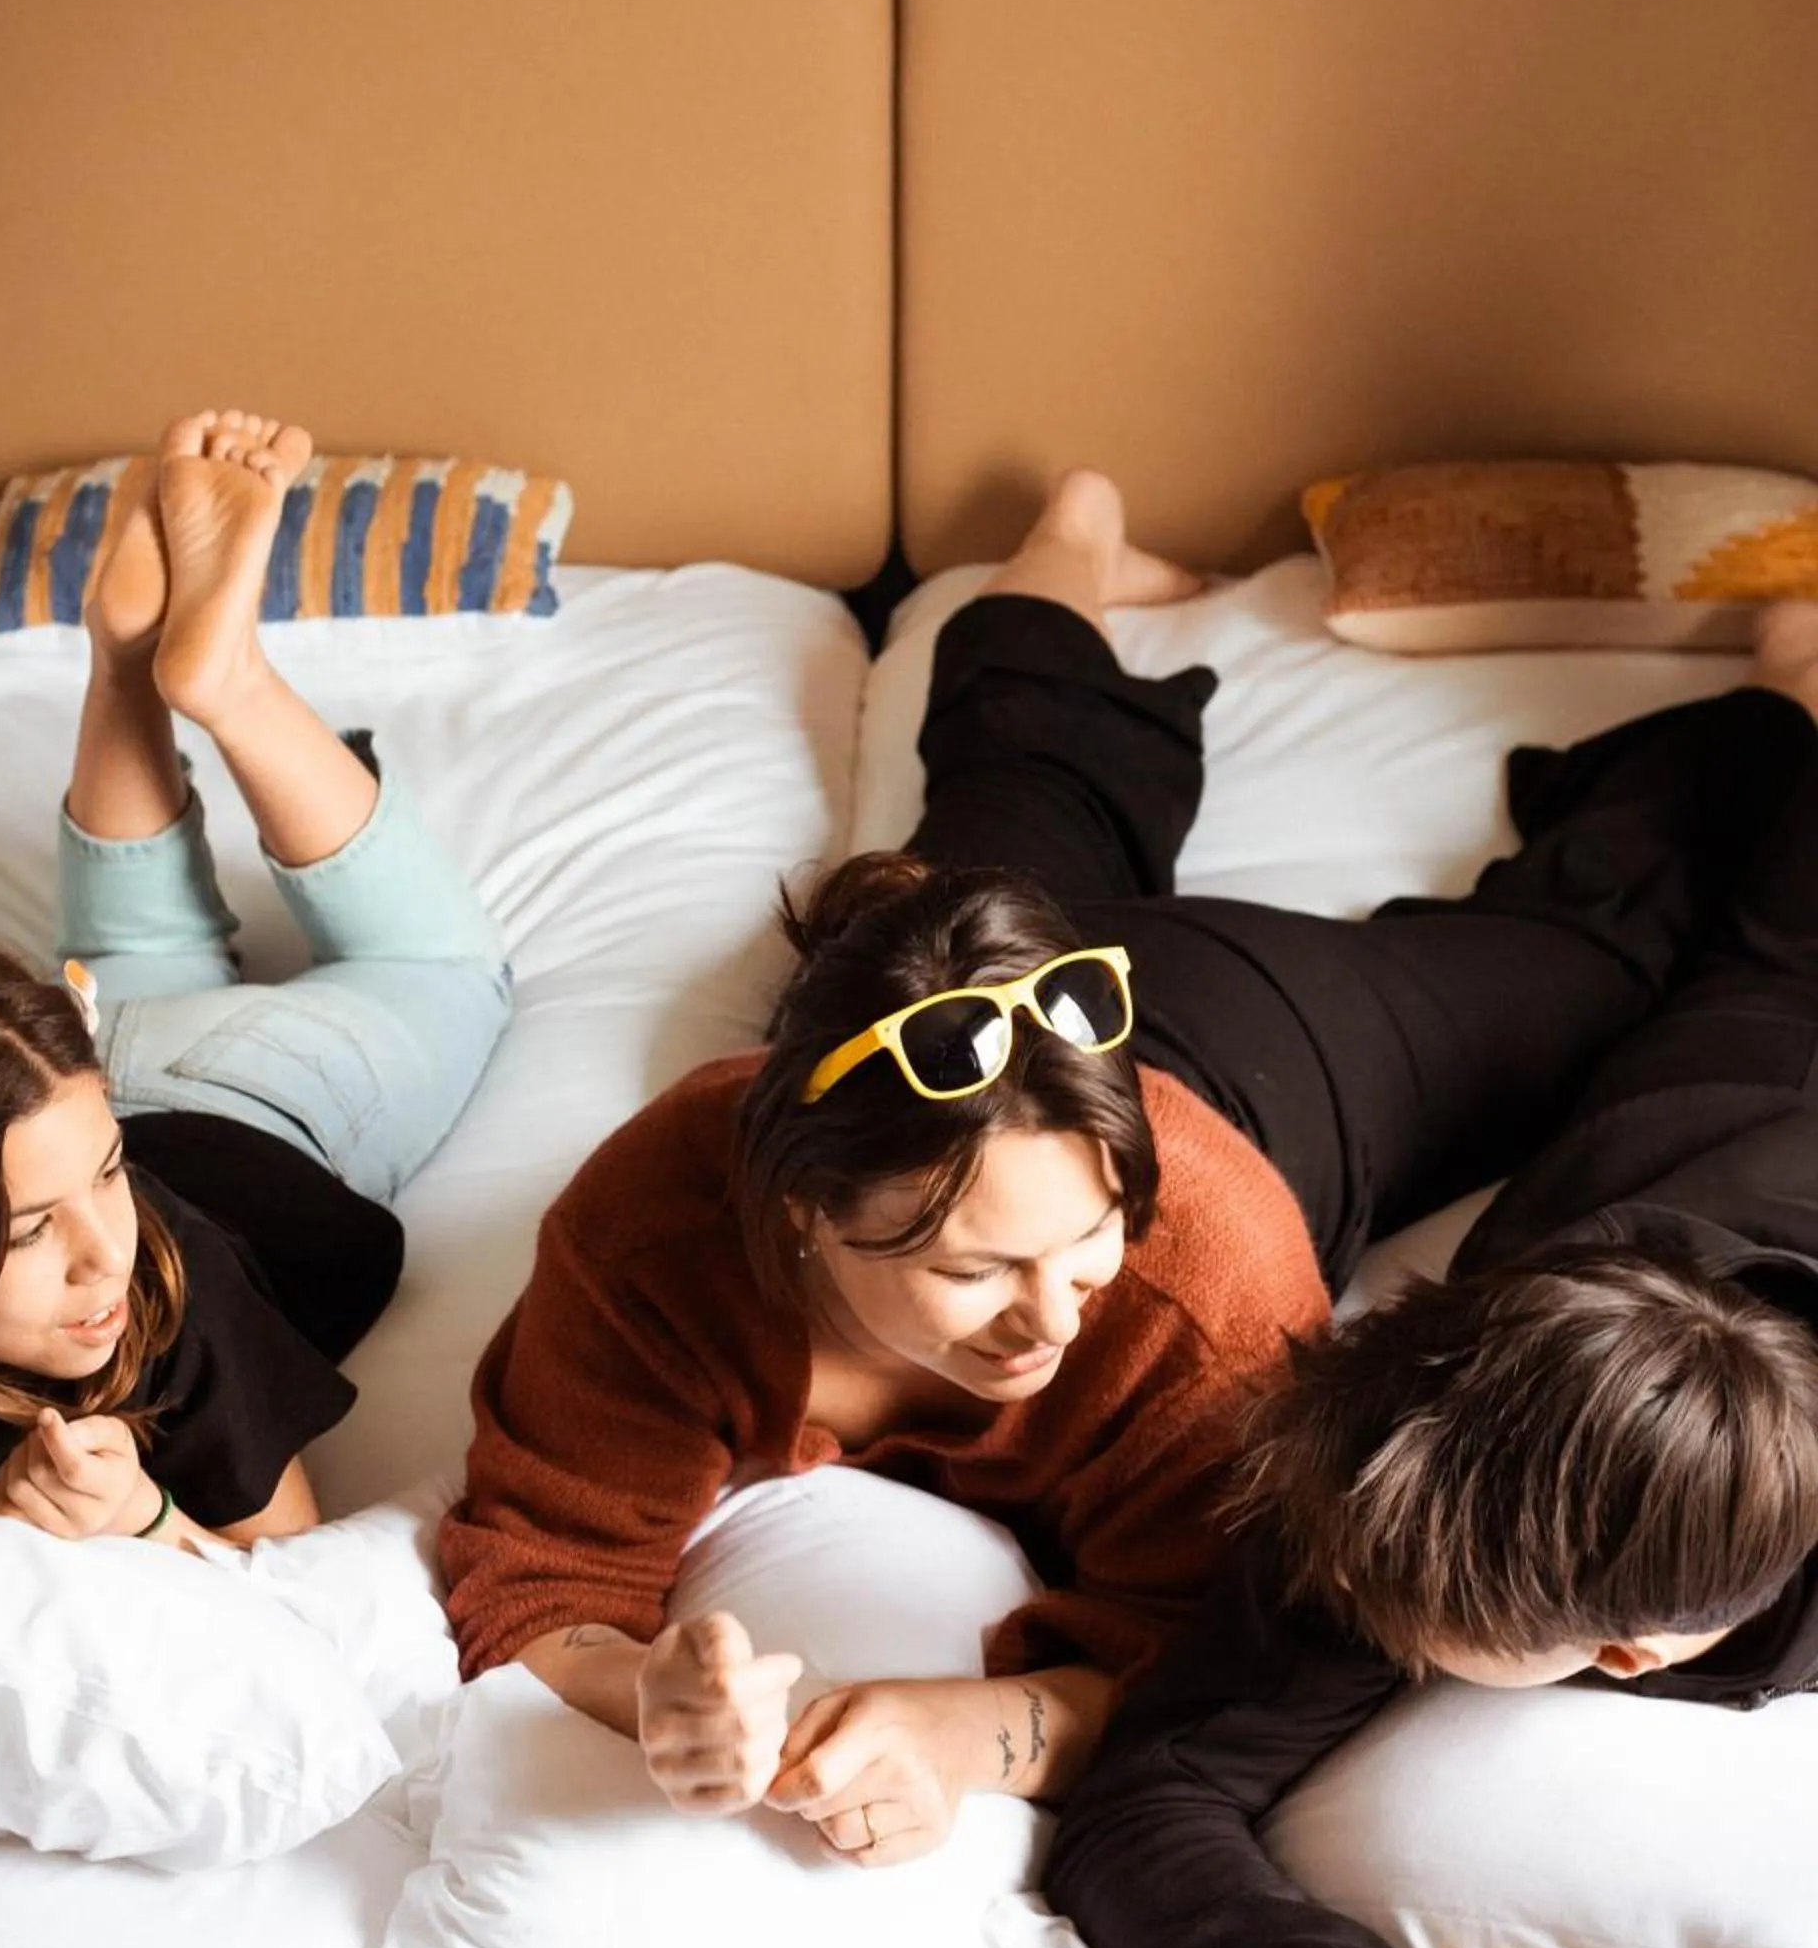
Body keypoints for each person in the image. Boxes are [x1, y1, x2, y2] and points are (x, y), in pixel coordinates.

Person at [441, 467, 1799, 1869]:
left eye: (1086, 1251)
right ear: (799, 1213)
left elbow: (1199, 1662)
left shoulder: (1204, 1297)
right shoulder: (661, 1223)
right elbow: (539, 1571)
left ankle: (1783, 696)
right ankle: (1070, 541)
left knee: (1596, 963)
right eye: (973, 1270)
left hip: (1268, 1052)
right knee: (988, 825)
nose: (1052, 1322)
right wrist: (644, 1693)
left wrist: (968, 1735)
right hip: (996, 998)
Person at [1047, 597, 1818, 1948]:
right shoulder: (1437, 1458)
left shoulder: (1575, 1560)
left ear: (1625, 1651)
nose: (1351, 1620)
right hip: (1725, 1067)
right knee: (1725, 887)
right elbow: (1143, 1803)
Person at [0, 413, 509, 1553]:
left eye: (100, 1190)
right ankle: (140, 660)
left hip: (220, 1091)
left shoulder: (164, 1293)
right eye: (34, 1231)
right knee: (137, 942)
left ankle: (219, 675)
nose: (107, 1250)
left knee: (439, 966)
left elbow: (284, 1568)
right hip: (82, 1061)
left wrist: (151, 1522)